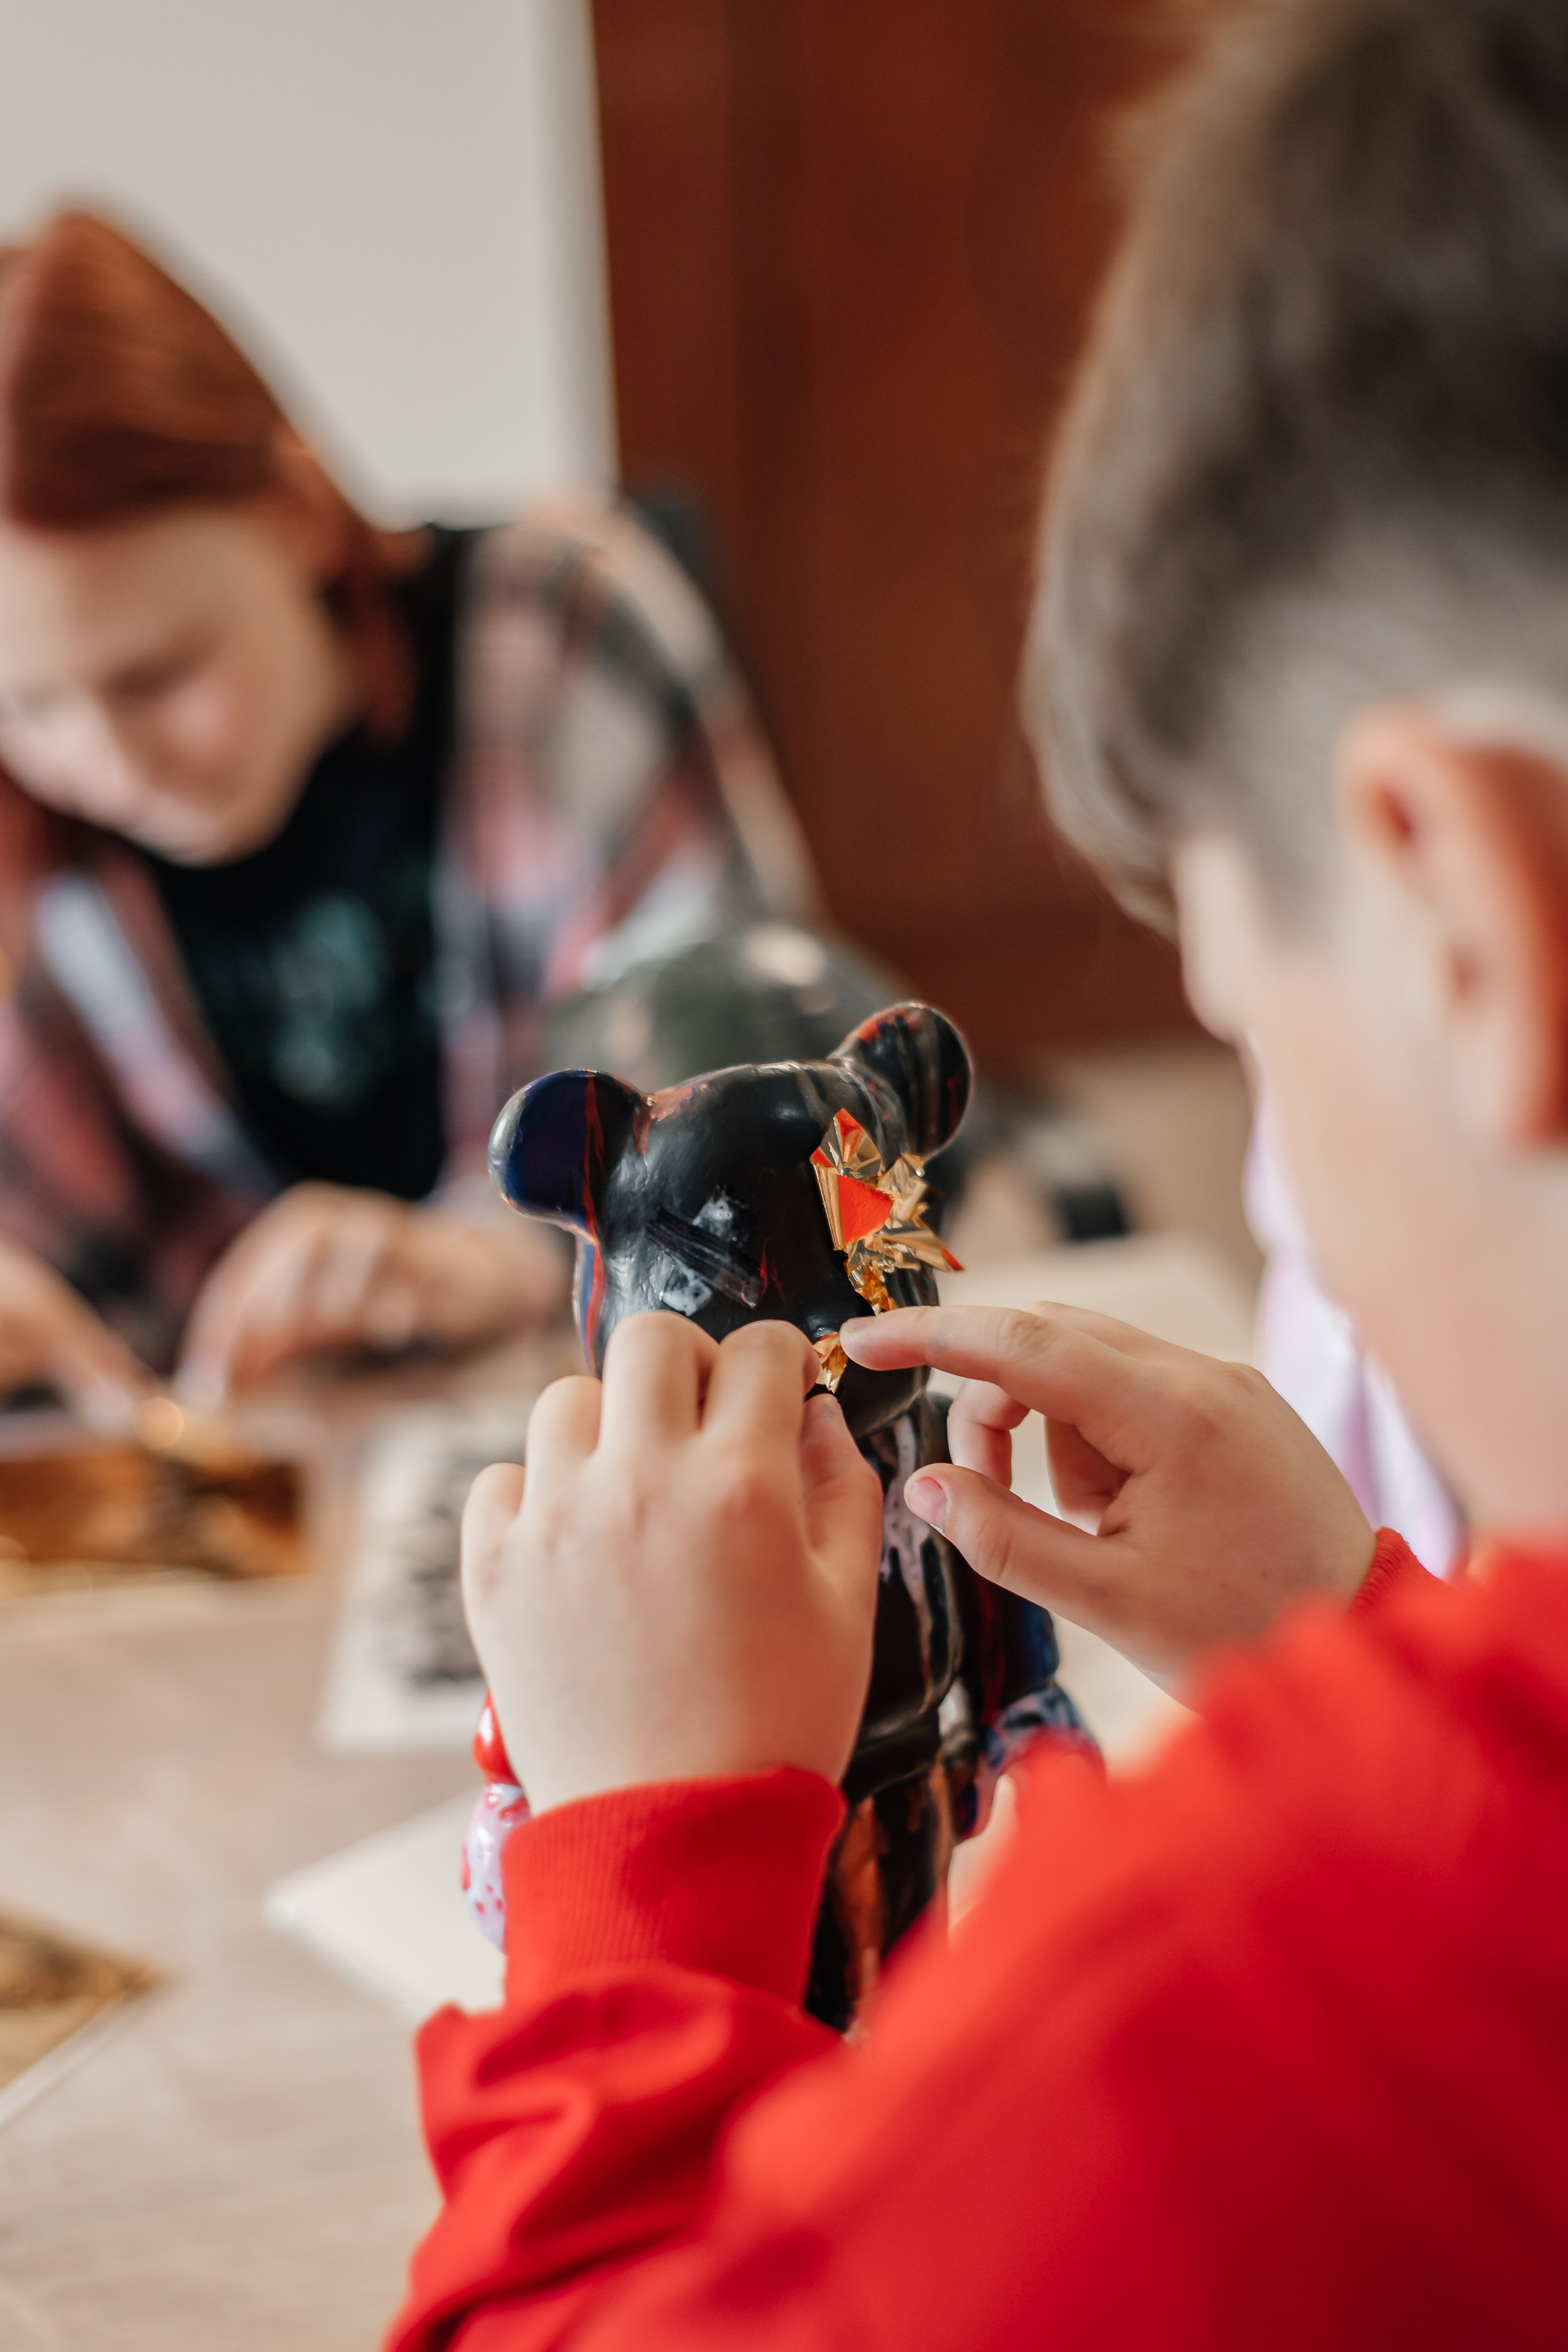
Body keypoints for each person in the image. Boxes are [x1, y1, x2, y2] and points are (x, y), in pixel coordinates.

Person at [389, 1, 1568, 2343]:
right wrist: (1354, 1646)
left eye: (1236, 1009)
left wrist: (633, 1871)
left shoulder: (1241, 2012)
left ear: (1460, 916)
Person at [0, 210, 815, 1415]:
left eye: (159, 676)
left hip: (585, 1427)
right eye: (29, 704)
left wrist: (489, 1257)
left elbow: (743, 1119)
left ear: (291, 515)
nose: (110, 763)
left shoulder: (553, 631)